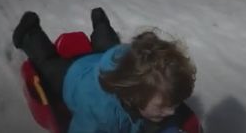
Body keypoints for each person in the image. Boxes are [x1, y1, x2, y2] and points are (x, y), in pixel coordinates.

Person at [12, 8, 196, 133]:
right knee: (48, 64)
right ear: (135, 96)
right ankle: (29, 32)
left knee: (110, 47)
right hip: (74, 75)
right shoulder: (100, 112)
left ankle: (101, 24)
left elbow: (166, 122)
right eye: (164, 107)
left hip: (109, 59)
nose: (171, 112)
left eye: (174, 104)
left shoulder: (150, 85)